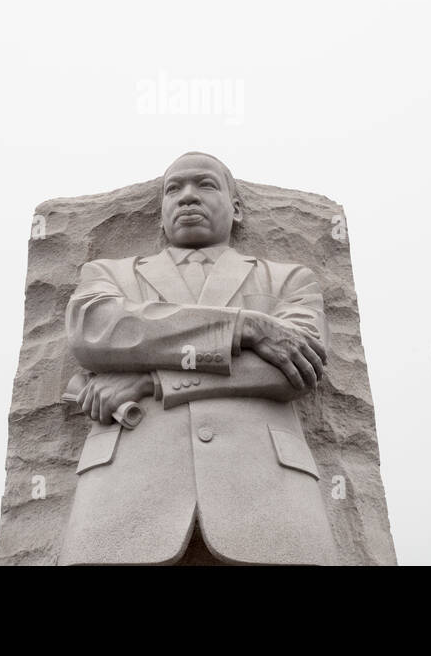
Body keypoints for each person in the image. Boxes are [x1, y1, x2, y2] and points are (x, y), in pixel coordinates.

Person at [58, 152, 338, 565]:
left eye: (205, 185)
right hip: (125, 491)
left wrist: (152, 381)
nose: (187, 197)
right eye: (174, 188)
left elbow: (292, 370)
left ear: (237, 208)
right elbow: (97, 332)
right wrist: (248, 327)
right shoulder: (109, 275)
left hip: (266, 493)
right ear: (161, 214)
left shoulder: (287, 279)